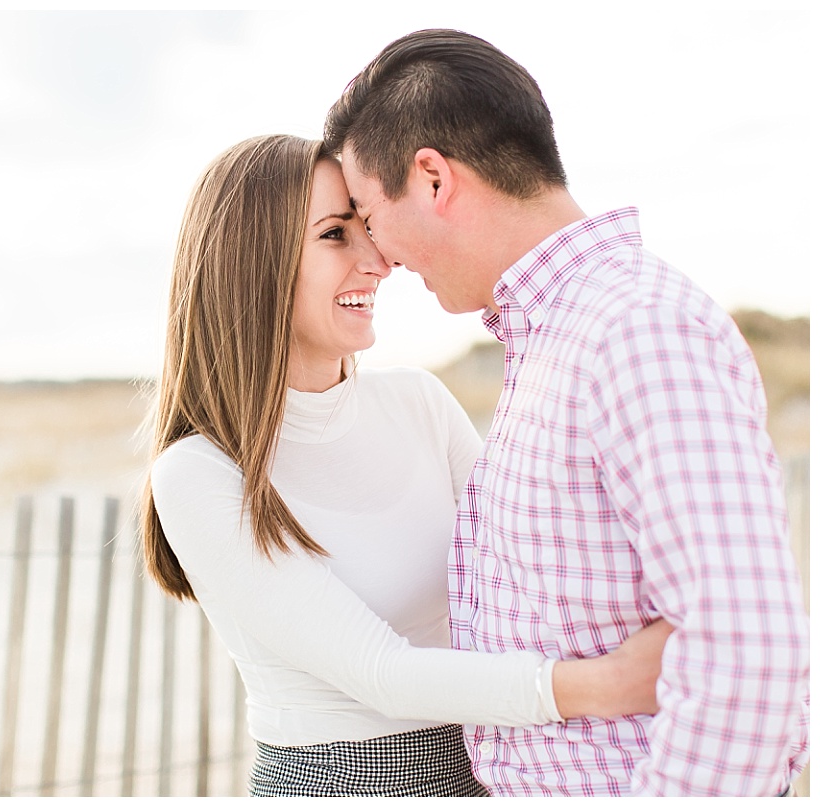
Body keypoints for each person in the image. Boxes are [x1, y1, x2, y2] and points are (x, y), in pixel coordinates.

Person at [323, 28, 810, 797]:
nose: (380, 256)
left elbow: (747, 656)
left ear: (432, 178)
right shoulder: (557, 339)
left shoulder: (636, 329)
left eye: (370, 216)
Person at [140, 133, 671, 797]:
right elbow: (381, 673)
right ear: (253, 263)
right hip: (342, 783)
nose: (377, 258)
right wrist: (611, 682)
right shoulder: (198, 473)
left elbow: (529, 579)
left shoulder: (418, 401)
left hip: (493, 762)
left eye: (367, 226)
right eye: (336, 235)